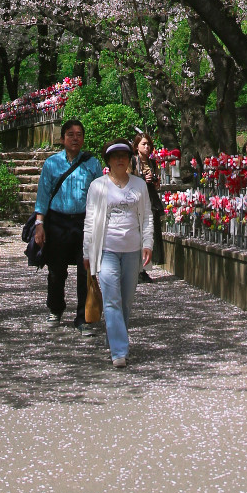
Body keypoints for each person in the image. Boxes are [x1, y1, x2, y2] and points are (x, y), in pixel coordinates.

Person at [82, 139, 154, 367]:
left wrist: (148, 243)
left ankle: (114, 337)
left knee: (126, 302)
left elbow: (147, 215)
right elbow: (90, 220)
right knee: (112, 300)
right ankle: (119, 350)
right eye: (115, 157)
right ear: (109, 161)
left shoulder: (139, 185)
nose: (120, 160)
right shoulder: (98, 186)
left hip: (132, 250)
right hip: (107, 250)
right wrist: (87, 252)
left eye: (124, 155)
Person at [32, 118, 103, 326]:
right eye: (70, 135)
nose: (75, 138)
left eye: (79, 135)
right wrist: (39, 224)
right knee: (56, 271)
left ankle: (83, 316)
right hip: (57, 223)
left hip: (84, 223)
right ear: (62, 139)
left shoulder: (92, 163)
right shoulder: (52, 163)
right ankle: (55, 308)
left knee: (85, 270)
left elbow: (100, 195)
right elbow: (43, 196)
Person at [133, 130, 164, 280]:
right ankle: (137, 269)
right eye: (144, 144)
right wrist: (141, 178)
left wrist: (155, 181)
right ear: (137, 146)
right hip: (137, 199)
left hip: (151, 198)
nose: (147, 147)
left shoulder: (152, 163)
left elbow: (157, 185)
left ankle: (144, 267)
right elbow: (129, 180)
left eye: (149, 145)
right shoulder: (133, 161)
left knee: (149, 232)